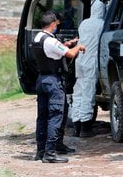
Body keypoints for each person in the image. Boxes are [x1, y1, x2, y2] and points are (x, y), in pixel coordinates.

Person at [32, 11, 86, 163]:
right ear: (52, 24)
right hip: (53, 81)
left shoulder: (37, 37)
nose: (57, 27)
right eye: (56, 24)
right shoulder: (51, 41)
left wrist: (66, 44)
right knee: (56, 116)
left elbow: (52, 50)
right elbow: (69, 54)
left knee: (42, 117)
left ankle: (40, 151)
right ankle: (50, 154)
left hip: (41, 80)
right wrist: (78, 46)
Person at [71, 0, 106, 138]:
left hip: (80, 60)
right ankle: (85, 127)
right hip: (91, 61)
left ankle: (76, 126)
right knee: (88, 93)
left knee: (78, 92)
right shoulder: (102, 24)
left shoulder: (84, 23)